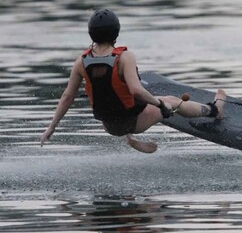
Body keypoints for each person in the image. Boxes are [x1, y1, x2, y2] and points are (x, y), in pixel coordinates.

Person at [40, 9, 226, 153]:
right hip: (132, 121)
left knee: (111, 95)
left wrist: (51, 128)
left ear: (91, 34)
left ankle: (130, 139)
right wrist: (160, 104)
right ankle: (214, 110)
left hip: (109, 125)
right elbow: (136, 90)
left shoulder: (81, 61)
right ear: (116, 32)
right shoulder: (124, 57)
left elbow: (67, 96)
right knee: (171, 100)